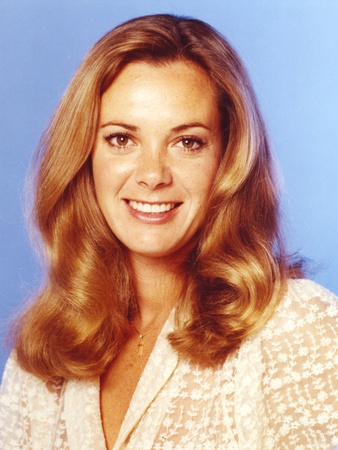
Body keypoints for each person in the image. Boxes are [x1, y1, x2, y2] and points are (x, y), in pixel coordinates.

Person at [0, 13, 337, 450]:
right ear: (85, 156)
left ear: (227, 159)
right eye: (122, 139)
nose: (152, 175)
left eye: (188, 142)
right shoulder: (44, 353)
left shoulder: (300, 327)